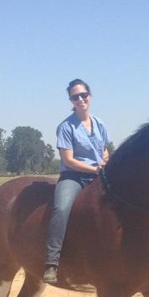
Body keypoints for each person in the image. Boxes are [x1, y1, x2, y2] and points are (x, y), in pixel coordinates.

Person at [43, 79, 110, 284]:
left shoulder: (100, 123)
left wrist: (105, 160)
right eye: (75, 96)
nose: (80, 99)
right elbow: (68, 160)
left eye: (83, 95)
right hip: (74, 176)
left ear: (90, 96)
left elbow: (104, 150)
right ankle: (52, 261)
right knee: (61, 209)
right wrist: (93, 168)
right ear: (71, 100)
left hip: (98, 174)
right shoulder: (65, 127)